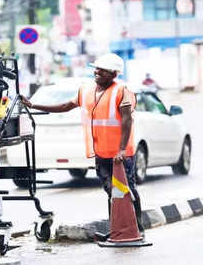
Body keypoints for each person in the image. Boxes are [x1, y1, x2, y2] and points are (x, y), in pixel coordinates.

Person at [21, 53, 145, 240]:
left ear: (114, 74)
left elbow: (127, 120)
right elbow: (64, 106)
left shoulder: (122, 91)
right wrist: (33, 105)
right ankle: (117, 229)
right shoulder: (86, 90)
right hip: (101, 153)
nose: (97, 72)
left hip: (121, 154)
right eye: (96, 68)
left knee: (127, 190)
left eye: (103, 70)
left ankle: (138, 228)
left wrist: (120, 150)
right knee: (111, 191)